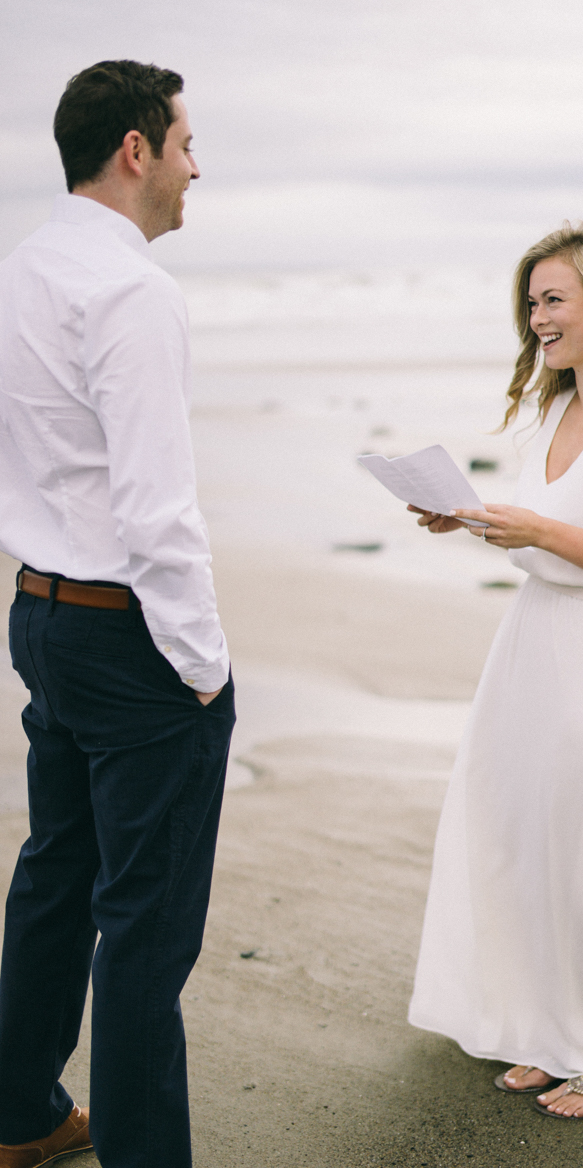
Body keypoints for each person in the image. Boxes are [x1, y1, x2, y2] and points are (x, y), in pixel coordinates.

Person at [0, 61, 235, 1167]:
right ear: (135, 151)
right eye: (187, 144)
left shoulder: (22, 270)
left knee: (56, 871)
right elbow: (155, 507)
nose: (197, 168)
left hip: (40, 615)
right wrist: (200, 664)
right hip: (125, 631)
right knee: (143, 922)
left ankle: (21, 1116)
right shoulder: (131, 290)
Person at [407, 224, 583, 1119]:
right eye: (531, 302)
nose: (538, 318)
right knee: (522, 843)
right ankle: (544, 1032)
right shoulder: (556, 407)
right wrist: (477, 521)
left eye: (554, 299)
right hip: (526, 649)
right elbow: (548, 532)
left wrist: (537, 531)